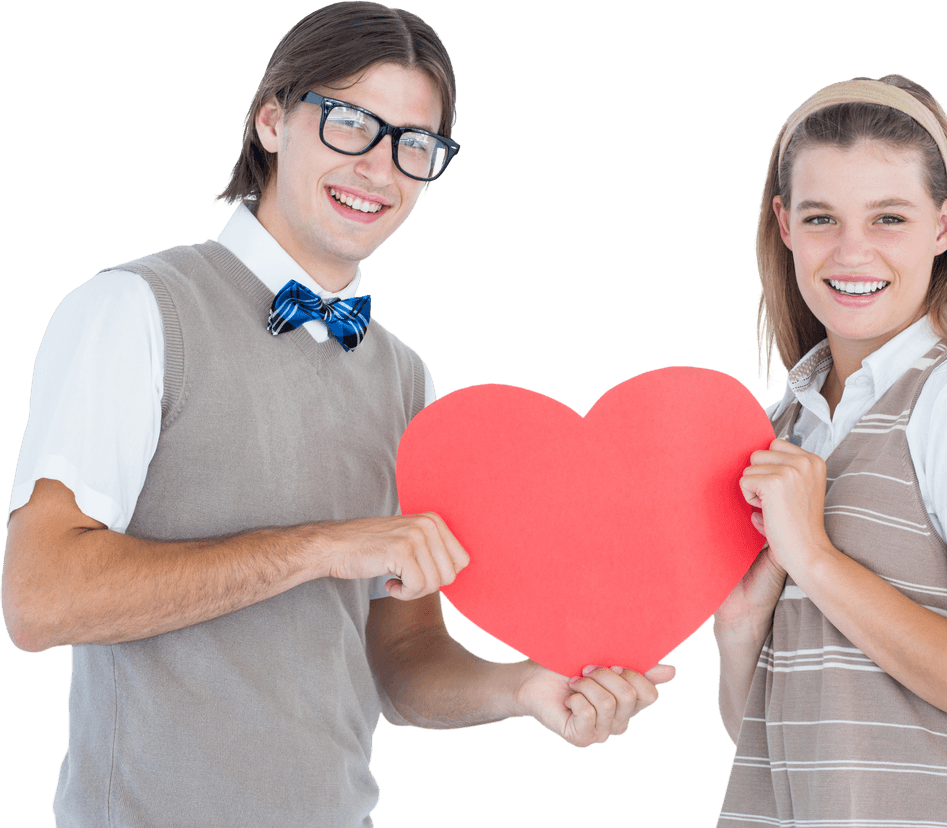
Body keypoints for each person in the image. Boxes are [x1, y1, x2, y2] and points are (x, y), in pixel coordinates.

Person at [0, 3, 673, 826]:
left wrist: (528, 688)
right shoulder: (133, 311)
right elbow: (40, 602)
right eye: (353, 123)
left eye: (413, 145)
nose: (380, 170)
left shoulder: (407, 380)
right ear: (272, 120)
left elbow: (403, 659)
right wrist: (323, 546)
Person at [713, 74, 947, 827]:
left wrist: (814, 558)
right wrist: (741, 631)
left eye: (889, 218)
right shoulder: (781, 429)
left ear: (944, 226)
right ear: (783, 223)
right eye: (821, 217)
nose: (851, 252)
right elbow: (771, 740)